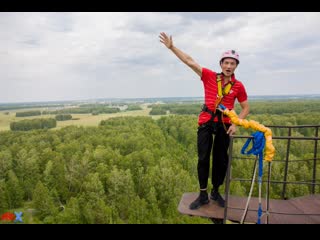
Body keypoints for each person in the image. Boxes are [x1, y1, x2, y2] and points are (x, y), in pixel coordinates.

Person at [159, 32, 250, 209]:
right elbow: (190, 61)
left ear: (236, 66)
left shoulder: (238, 86)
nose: (229, 66)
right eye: (226, 62)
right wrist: (171, 48)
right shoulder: (209, 76)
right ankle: (203, 194)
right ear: (221, 64)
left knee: (220, 159)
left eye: (232, 63)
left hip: (224, 123)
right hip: (207, 121)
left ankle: (216, 191)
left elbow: (246, 107)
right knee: (203, 158)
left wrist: (235, 123)